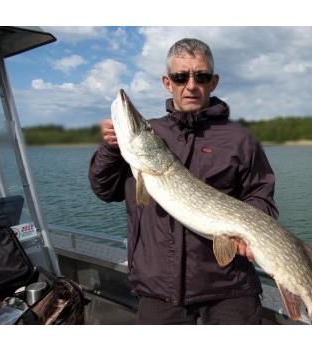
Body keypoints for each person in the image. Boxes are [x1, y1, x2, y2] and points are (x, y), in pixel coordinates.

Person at [89, 38, 278, 324]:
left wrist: (247, 231)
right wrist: (111, 148)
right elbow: (104, 190)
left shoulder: (241, 139)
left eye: (201, 76)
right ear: (167, 82)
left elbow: (261, 196)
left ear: (213, 82)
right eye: (180, 77)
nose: (191, 85)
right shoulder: (148, 138)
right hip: (159, 289)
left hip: (230, 286)